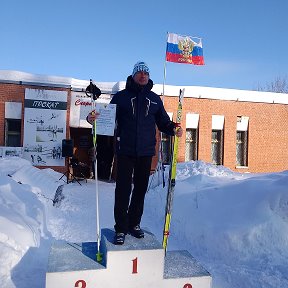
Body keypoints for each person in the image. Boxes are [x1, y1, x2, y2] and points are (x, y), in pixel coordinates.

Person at [87, 61, 183, 245]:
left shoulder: (154, 99)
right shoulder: (121, 97)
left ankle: (134, 224)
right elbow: (107, 117)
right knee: (123, 190)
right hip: (125, 151)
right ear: (133, 75)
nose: (143, 75)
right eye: (139, 72)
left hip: (146, 152)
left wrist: (173, 128)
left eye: (146, 73)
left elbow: (163, 122)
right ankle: (121, 228)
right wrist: (92, 119)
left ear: (148, 77)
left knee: (140, 190)